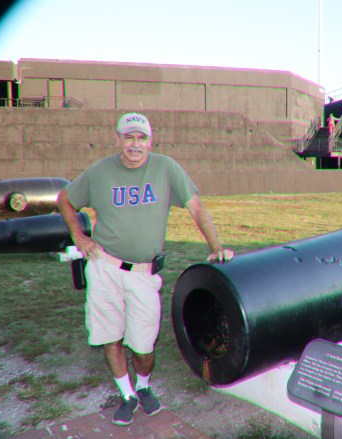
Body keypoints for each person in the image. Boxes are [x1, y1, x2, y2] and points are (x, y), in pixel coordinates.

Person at [57, 112, 233, 426]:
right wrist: (79, 237)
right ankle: (127, 395)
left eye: (141, 138)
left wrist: (216, 246)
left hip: (143, 274)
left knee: (143, 345)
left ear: (150, 141)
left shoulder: (166, 168)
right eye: (129, 137)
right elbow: (65, 199)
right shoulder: (100, 172)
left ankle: (143, 385)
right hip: (104, 267)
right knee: (110, 337)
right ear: (118, 139)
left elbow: (196, 207)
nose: (135, 145)